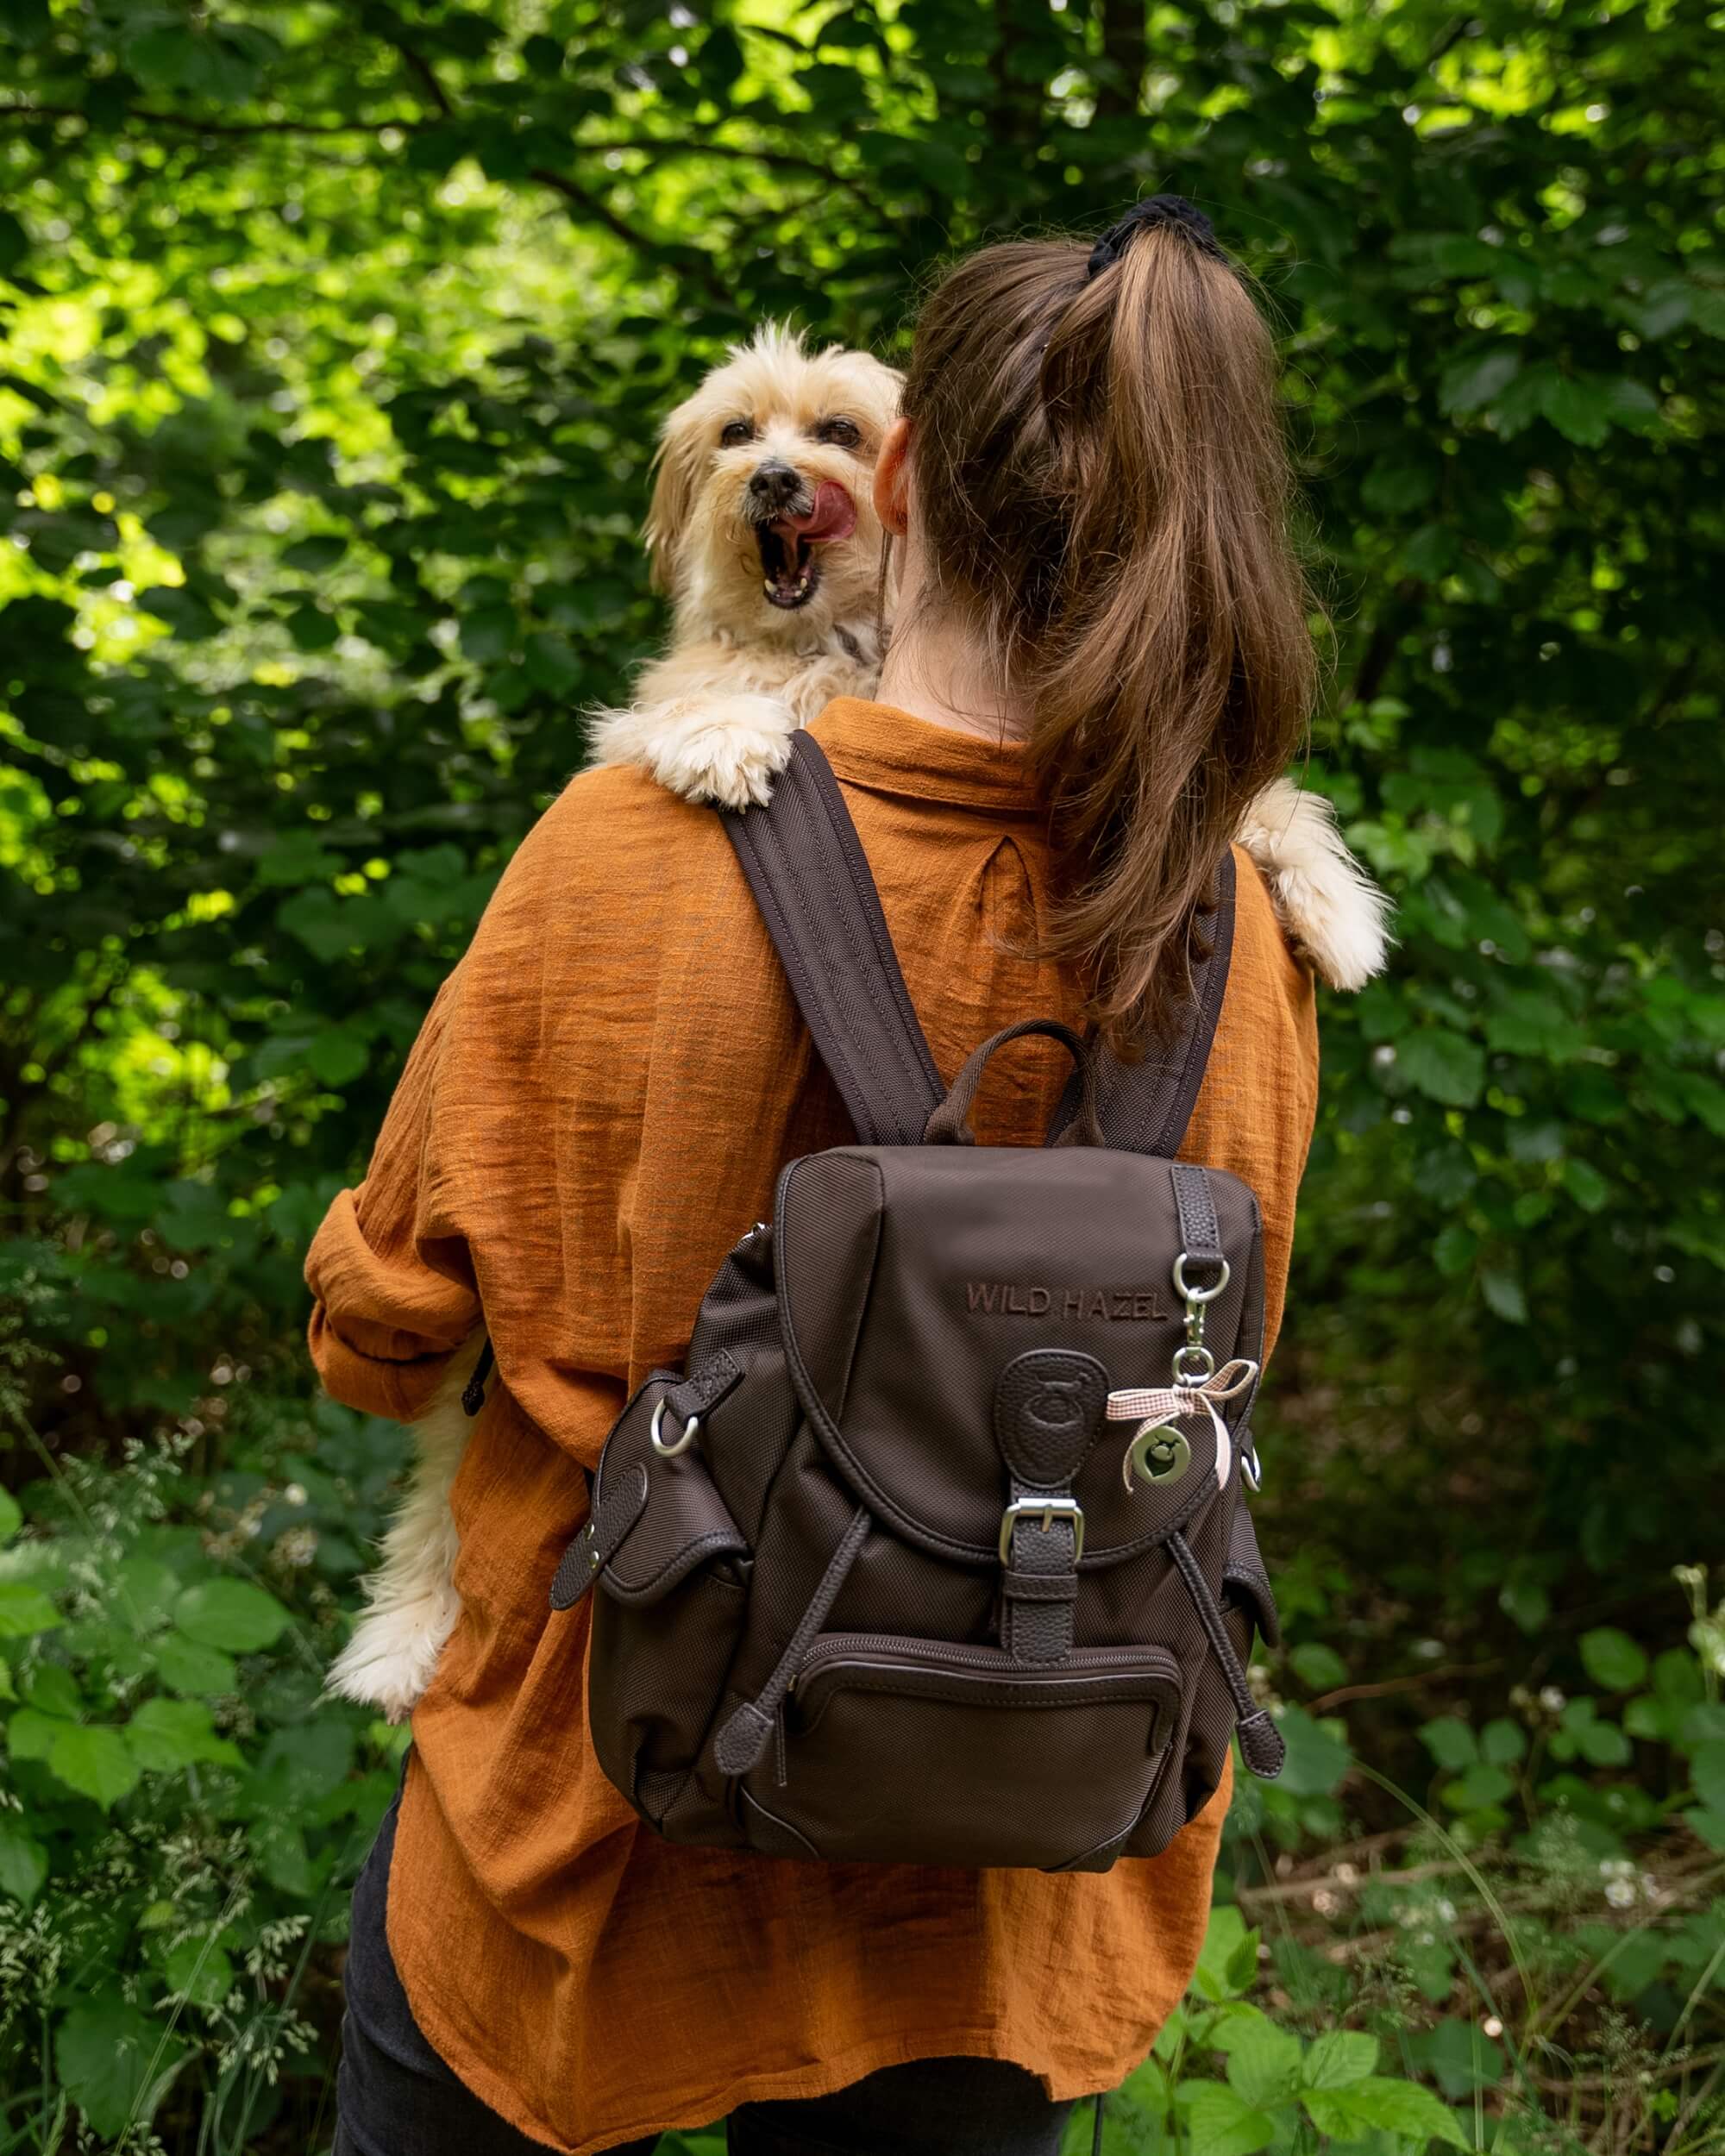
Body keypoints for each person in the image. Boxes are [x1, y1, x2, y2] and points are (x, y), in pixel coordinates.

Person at [308, 198, 1322, 2156]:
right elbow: (1226, 1352)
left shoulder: (622, 848)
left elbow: (387, 1316)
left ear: (907, 474)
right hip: (1002, 1836)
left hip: (592, 1820)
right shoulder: (1233, 923)